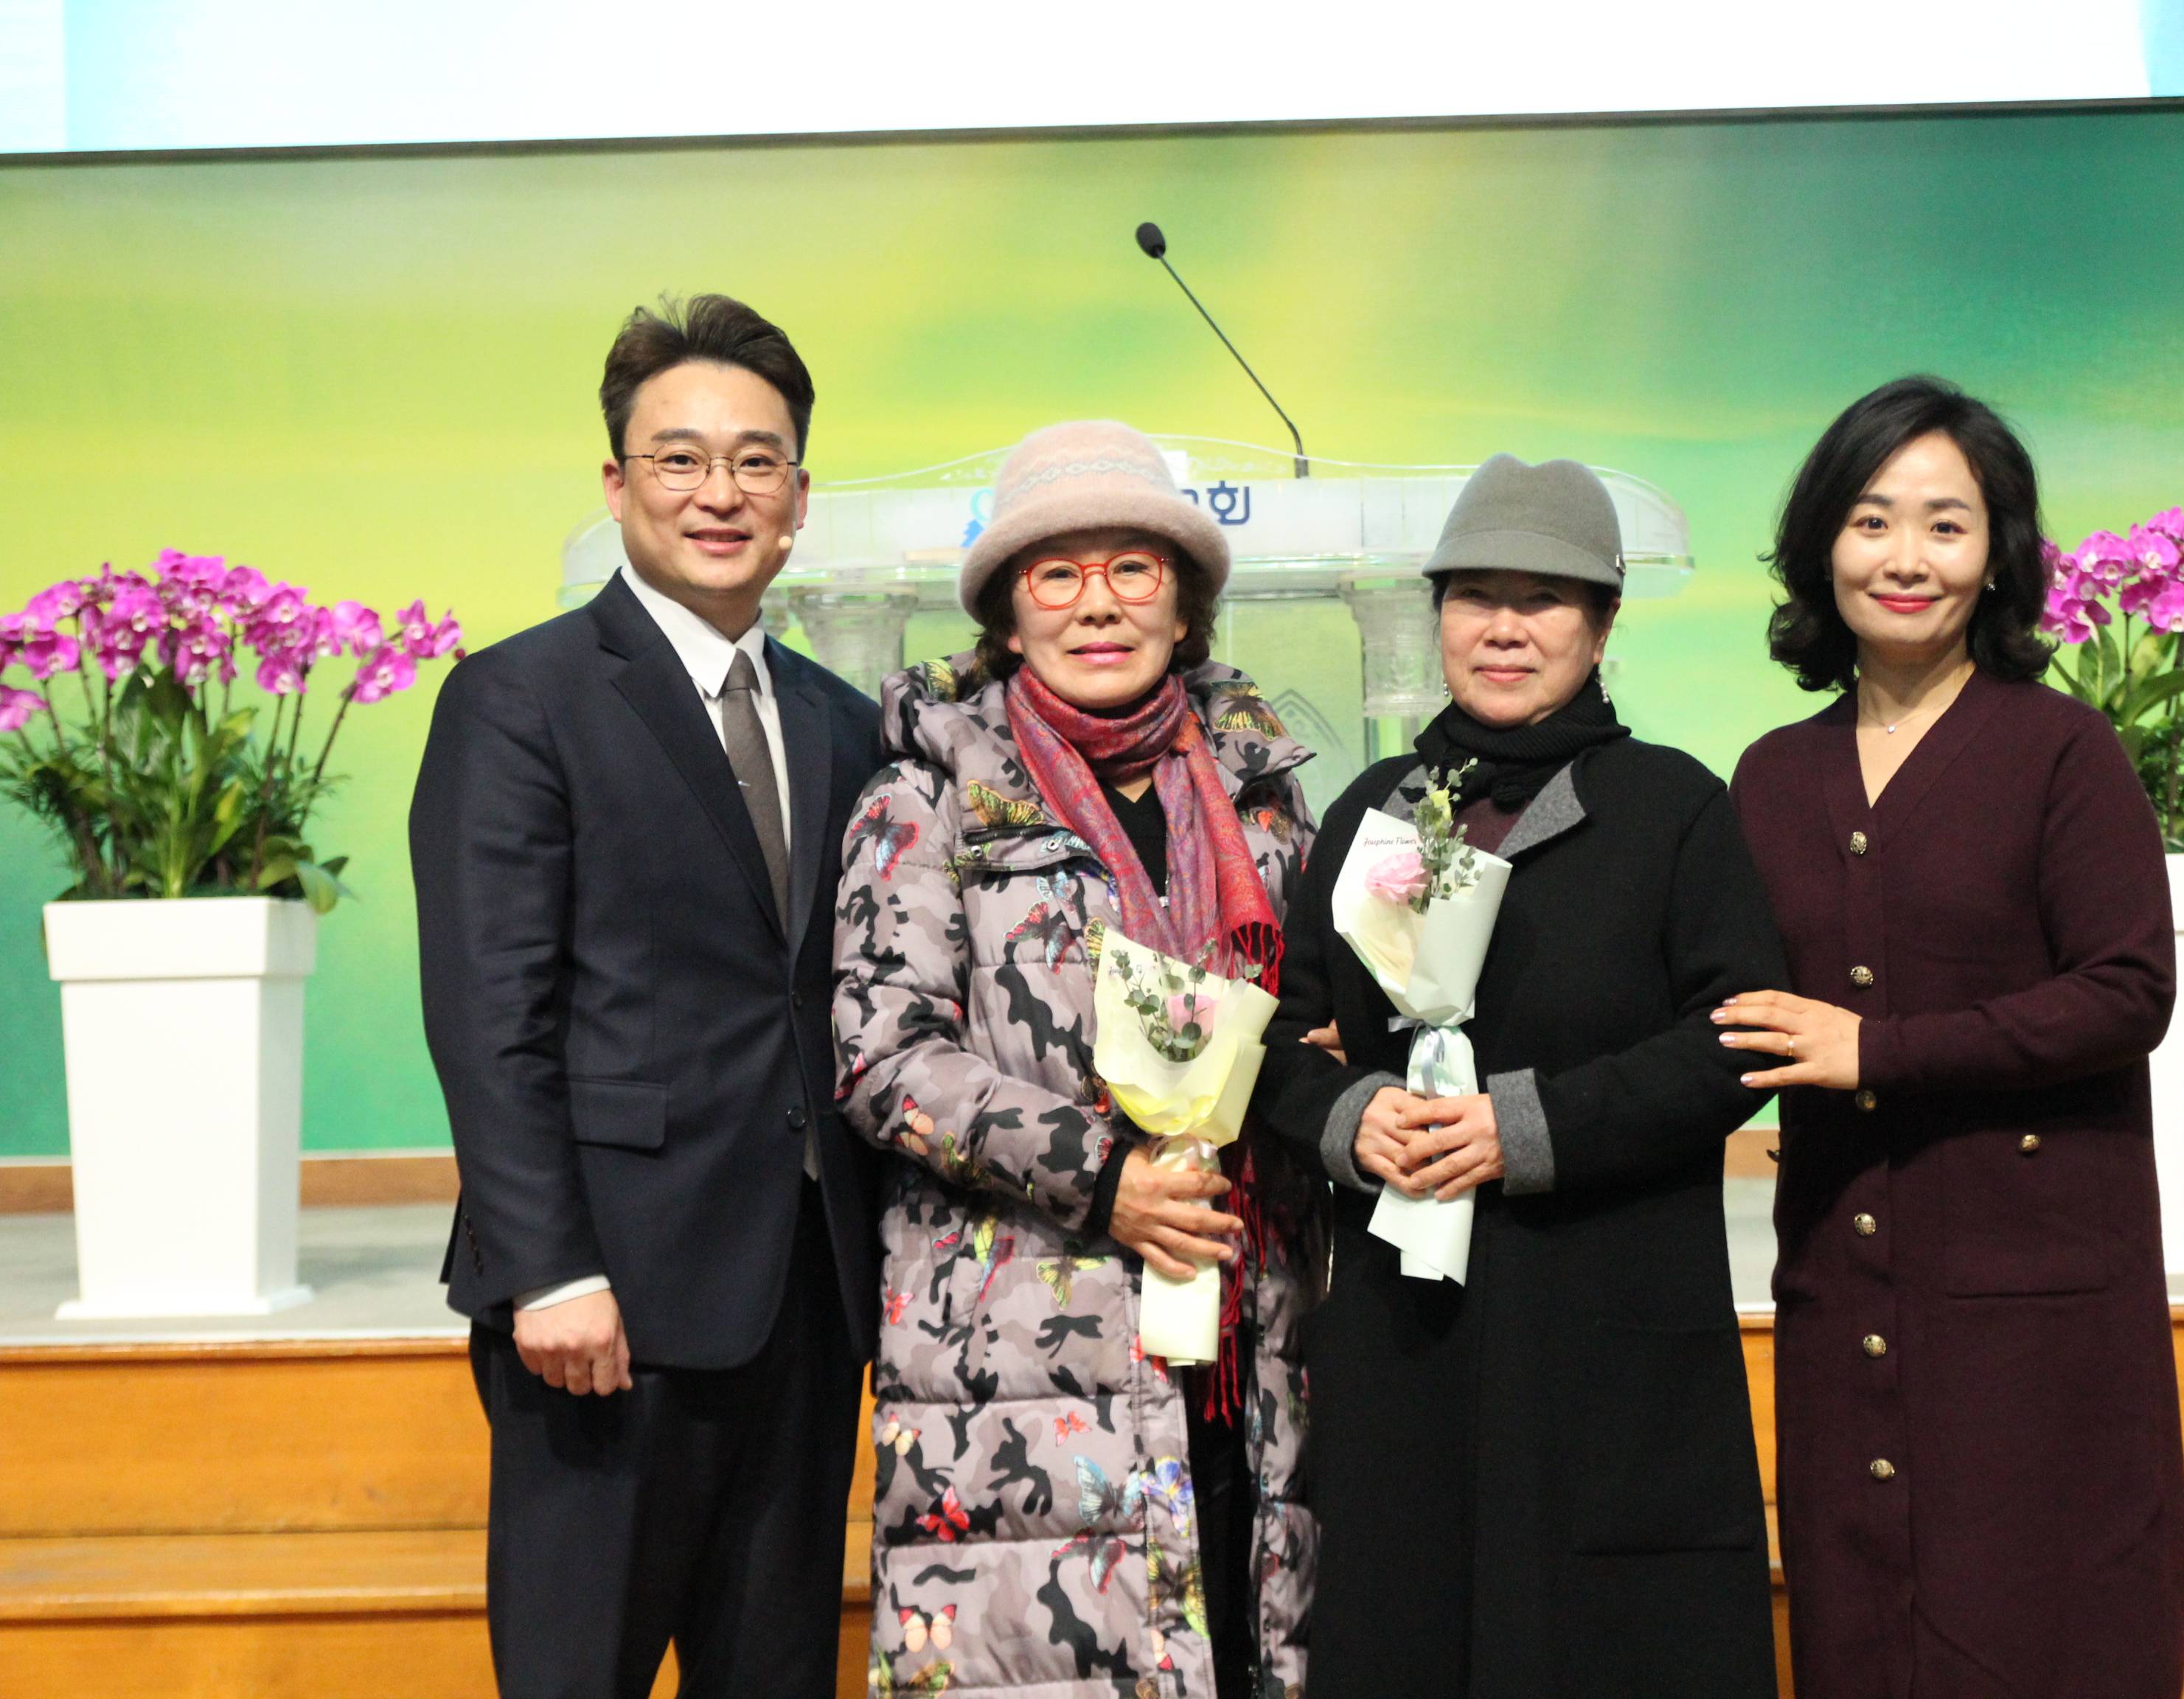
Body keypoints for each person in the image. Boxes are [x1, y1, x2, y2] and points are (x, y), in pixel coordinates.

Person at [1254, 454, 1790, 1699]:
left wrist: (1528, 1126)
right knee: (1411, 1628)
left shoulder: (1673, 807)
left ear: (1602, 624)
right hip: (1407, 1332)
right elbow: (1278, 1035)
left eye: (1543, 599)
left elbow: (1736, 1041)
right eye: (1474, 596)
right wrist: (1349, 1117)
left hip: (1602, 1318)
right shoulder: (1378, 809)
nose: (1504, 628)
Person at [411, 294, 884, 1698]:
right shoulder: (520, 700)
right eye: (681, 459)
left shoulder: (845, 720)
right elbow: (489, 1017)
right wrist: (549, 1268)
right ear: (619, 484)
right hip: (603, 1305)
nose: (719, 493)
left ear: (800, 496)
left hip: (804, 1299)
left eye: (756, 460)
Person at [831, 420, 1321, 1699]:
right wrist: (1108, 1179)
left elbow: (1298, 1013)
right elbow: (885, 1056)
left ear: (1185, 603)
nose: (1097, 604)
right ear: (1008, 613)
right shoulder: (925, 797)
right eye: (1057, 573)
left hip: (1245, 1327)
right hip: (1026, 1351)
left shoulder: (1262, 792)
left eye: (1133, 569)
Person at [1724, 375, 2184, 1698]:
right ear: (1824, 545)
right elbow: (1719, 1004)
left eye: (1946, 525)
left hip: (2033, 1311)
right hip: (1843, 1289)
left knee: (2037, 1633)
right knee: (1858, 1634)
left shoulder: (2063, 752)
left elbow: (2128, 991)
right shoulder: (1773, 773)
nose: (1907, 558)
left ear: (1997, 556)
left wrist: (1879, 1051)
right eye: (1872, 521)